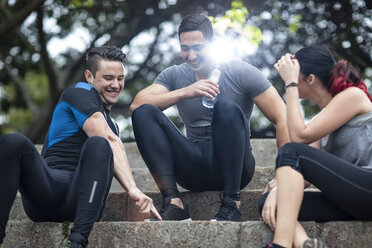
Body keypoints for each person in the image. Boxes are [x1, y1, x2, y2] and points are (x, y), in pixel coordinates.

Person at [129, 14, 289, 222]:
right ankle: (173, 203)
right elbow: (136, 105)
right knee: (144, 111)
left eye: (198, 47)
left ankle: (232, 203)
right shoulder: (175, 75)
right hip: (193, 166)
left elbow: (283, 118)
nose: (191, 55)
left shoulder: (240, 71)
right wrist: (186, 91)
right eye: (185, 48)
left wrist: (281, 175)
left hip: (236, 167)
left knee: (226, 107)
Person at [0, 46, 161, 248]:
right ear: (89, 76)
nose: (116, 85)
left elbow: (108, 143)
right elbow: (107, 138)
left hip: (81, 201)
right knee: (14, 142)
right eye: (108, 78)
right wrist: (133, 190)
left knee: (99, 145)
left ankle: (76, 243)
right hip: (45, 191)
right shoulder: (79, 92)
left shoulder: (113, 127)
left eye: (120, 78)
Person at [259, 45, 372, 248]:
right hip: (350, 201)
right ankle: (307, 244)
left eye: (296, 75)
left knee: (291, 150)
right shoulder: (322, 121)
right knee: (269, 203)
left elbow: (299, 137)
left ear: (310, 79)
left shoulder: (353, 96)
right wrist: (278, 190)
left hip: (368, 188)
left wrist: (290, 84)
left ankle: (281, 245)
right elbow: (302, 173)